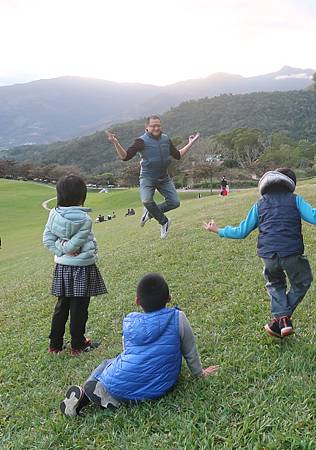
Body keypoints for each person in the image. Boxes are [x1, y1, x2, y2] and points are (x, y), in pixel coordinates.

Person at [203, 168, 316, 338]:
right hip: (291, 253)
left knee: (275, 284)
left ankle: (280, 320)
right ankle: (283, 318)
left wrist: (218, 230)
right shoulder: (295, 200)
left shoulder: (259, 204)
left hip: (268, 255)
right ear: (290, 185)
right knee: (302, 281)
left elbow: (241, 231)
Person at [59, 273, 219, 417]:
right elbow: (190, 351)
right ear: (169, 298)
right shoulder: (178, 318)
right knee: (113, 371)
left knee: (108, 363)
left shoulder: (130, 322)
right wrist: (200, 374)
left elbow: (126, 352)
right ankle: (95, 393)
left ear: (137, 301)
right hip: (162, 386)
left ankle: (86, 389)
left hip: (119, 384)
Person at [105, 115, 200, 239]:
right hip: (147, 177)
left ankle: (149, 214)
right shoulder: (141, 141)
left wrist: (190, 143)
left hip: (164, 177)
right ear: (147, 127)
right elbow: (125, 156)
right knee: (146, 200)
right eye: (153, 126)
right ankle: (164, 221)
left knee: (175, 202)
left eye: (158, 125)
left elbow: (178, 155)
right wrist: (116, 143)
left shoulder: (166, 139)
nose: (156, 128)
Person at [42, 174, 107, 355]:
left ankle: (55, 345)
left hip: (62, 267)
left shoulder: (53, 214)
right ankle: (78, 345)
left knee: (61, 306)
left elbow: (47, 240)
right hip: (82, 267)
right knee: (79, 308)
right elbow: (77, 242)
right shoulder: (84, 219)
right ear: (81, 197)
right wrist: (69, 248)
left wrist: (61, 248)